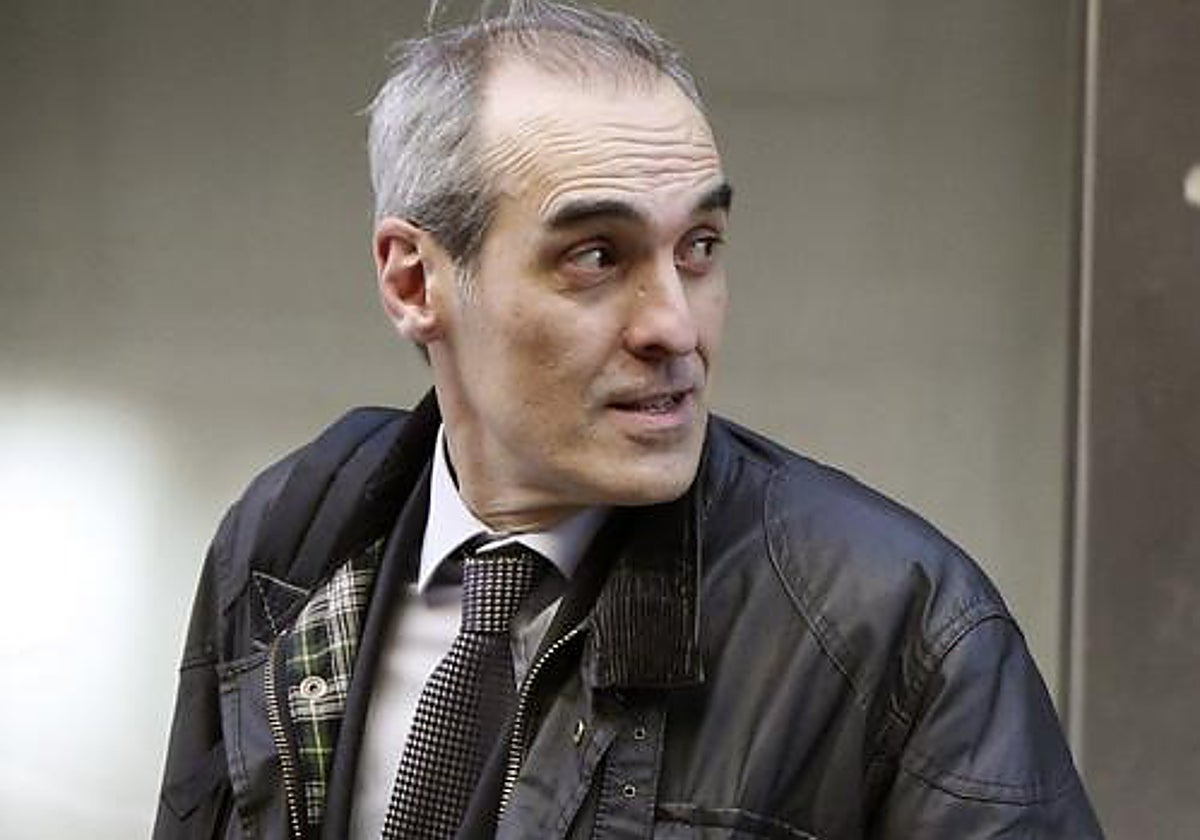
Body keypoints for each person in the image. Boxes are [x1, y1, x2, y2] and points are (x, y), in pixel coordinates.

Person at [153, 2, 1103, 838]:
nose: (675, 327)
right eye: (597, 257)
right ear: (414, 282)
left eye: (700, 247)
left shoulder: (892, 624)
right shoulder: (288, 544)